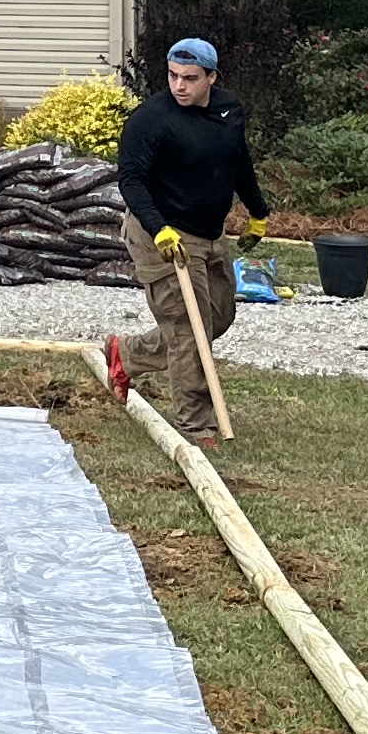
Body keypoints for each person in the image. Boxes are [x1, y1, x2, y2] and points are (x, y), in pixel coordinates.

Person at [112, 37, 268, 439]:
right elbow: (131, 179)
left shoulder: (229, 110)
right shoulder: (151, 119)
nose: (179, 86)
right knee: (186, 327)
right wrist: (157, 226)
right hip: (159, 233)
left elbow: (238, 160)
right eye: (172, 76)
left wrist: (258, 212)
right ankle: (195, 425)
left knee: (217, 317)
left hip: (209, 235)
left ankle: (126, 354)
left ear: (212, 78)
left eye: (190, 78)